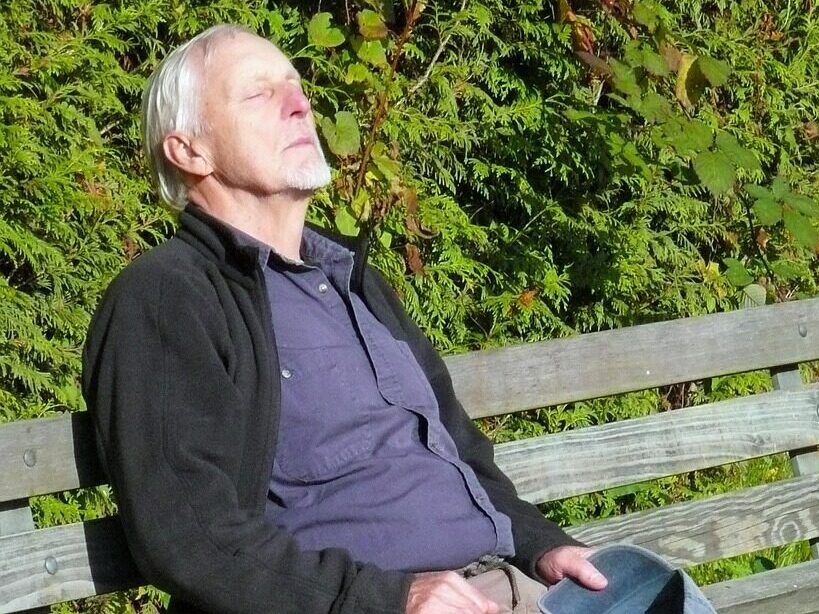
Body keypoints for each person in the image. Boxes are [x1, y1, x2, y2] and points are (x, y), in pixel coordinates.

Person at [82, 23, 612, 614]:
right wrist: (388, 598)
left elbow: (456, 449)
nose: (299, 104)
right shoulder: (168, 298)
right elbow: (189, 535)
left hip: (512, 588)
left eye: (296, 86)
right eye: (259, 94)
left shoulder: (351, 281)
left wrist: (541, 544)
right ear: (188, 150)